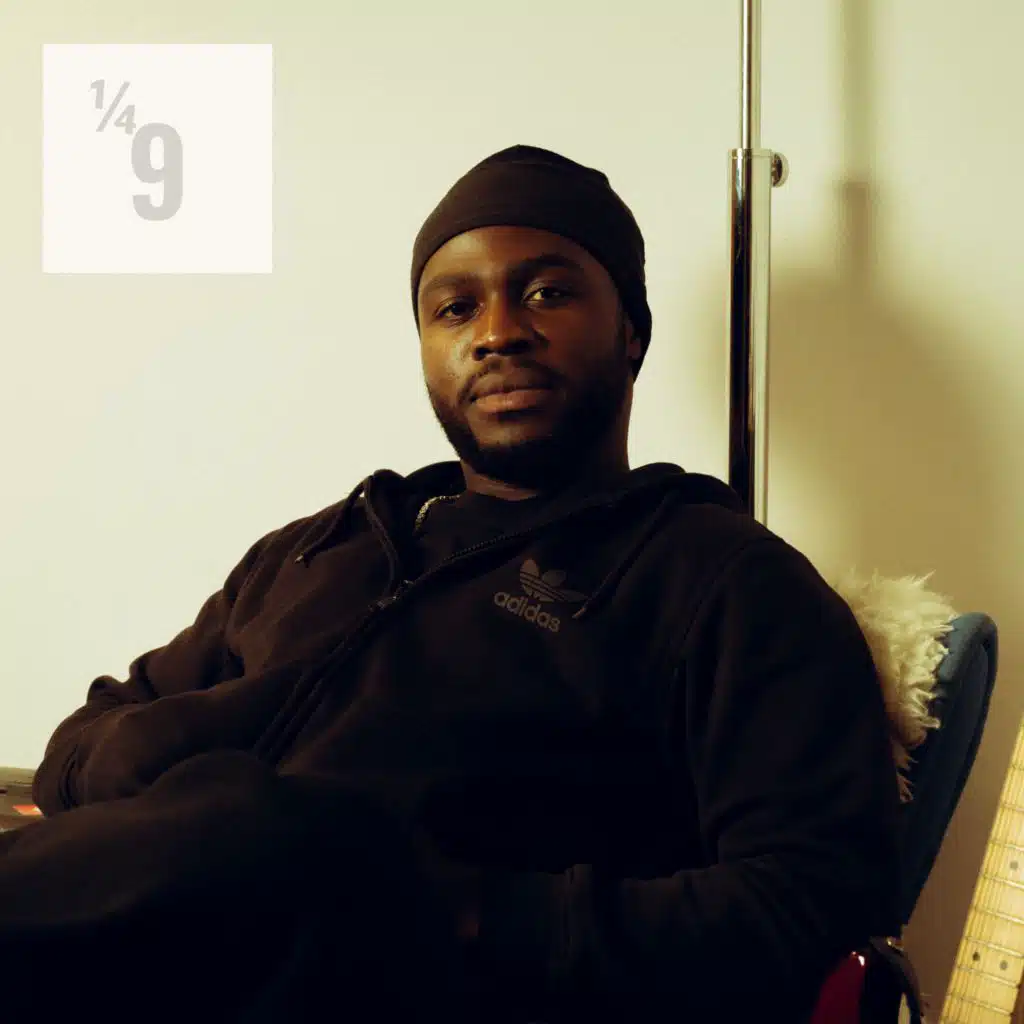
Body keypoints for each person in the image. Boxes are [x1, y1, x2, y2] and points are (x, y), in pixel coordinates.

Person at [14, 144, 901, 1023]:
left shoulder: (723, 579)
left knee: (287, 834)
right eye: (455, 308)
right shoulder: (317, 548)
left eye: (547, 293)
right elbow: (80, 745)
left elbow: (809, 898)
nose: (497, 331)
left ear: (630, 331)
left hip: (423, 986)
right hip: (171, 955)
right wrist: (171, 768)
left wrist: (451, 910)